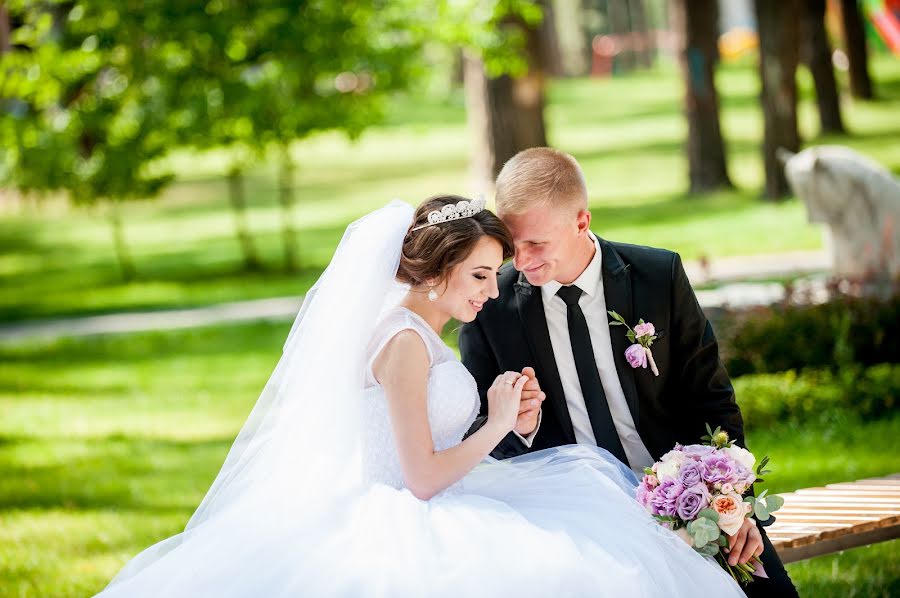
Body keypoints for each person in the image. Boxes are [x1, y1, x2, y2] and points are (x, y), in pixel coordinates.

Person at [96, 196, 746, 597]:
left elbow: (434, 440)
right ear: (437, 270)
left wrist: (512, 420)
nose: (493, 292)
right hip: (403, 512)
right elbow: (422, 477)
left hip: (456, 492)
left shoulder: (424, 336)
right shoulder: (403, 342)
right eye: (481, 275)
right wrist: (495, 427)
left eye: (496, 274)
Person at [459, 148, 798, 597]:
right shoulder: (491, 307)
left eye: (536, 244)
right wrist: (517, 425)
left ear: (582, 222)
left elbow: (711, 402)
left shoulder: (657, 277)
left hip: (682, 499)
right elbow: (479, 435)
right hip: (577, 516)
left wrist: (734, 503)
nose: (519, 262)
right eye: (510, 245)